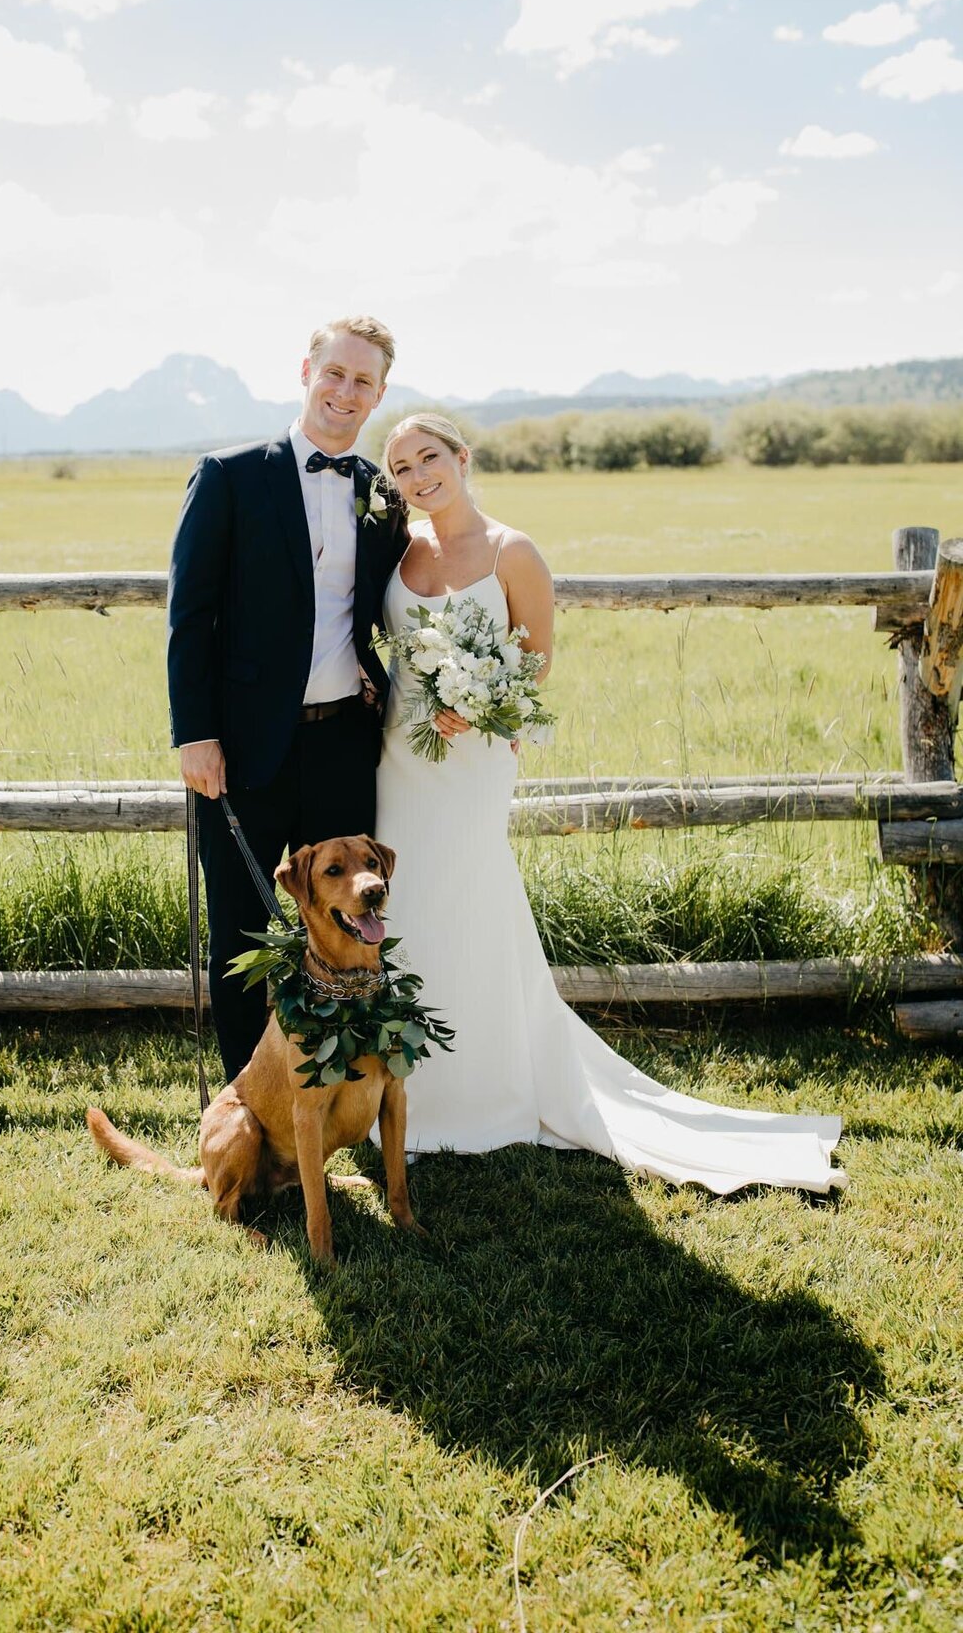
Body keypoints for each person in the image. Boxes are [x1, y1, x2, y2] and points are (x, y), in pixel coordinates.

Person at [374, 413, 844, 1194]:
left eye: (429, 457)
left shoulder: (511, 551)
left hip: (473, 762)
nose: (418, 475)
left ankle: (484, 1094)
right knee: (409, 907)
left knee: (467, 900)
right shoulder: (402, 550)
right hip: (397, 758)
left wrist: (483, 702)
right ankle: (406, 1091)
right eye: (400, 467)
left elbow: (539, 662)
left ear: (462, 457)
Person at [168, 316, 409, 1082]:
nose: (345, 392)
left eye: (363, 381)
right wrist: (195, 733)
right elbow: (190, 613)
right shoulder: (231, 474)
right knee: (242, 934)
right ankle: (247, 1105)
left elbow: (391, 604)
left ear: (379, 394)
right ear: (306, 371)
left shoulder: (381, 492)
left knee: (349, 932)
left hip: (343, 745)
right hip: (240, 747)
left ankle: (337, 1095)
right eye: (334, 373)